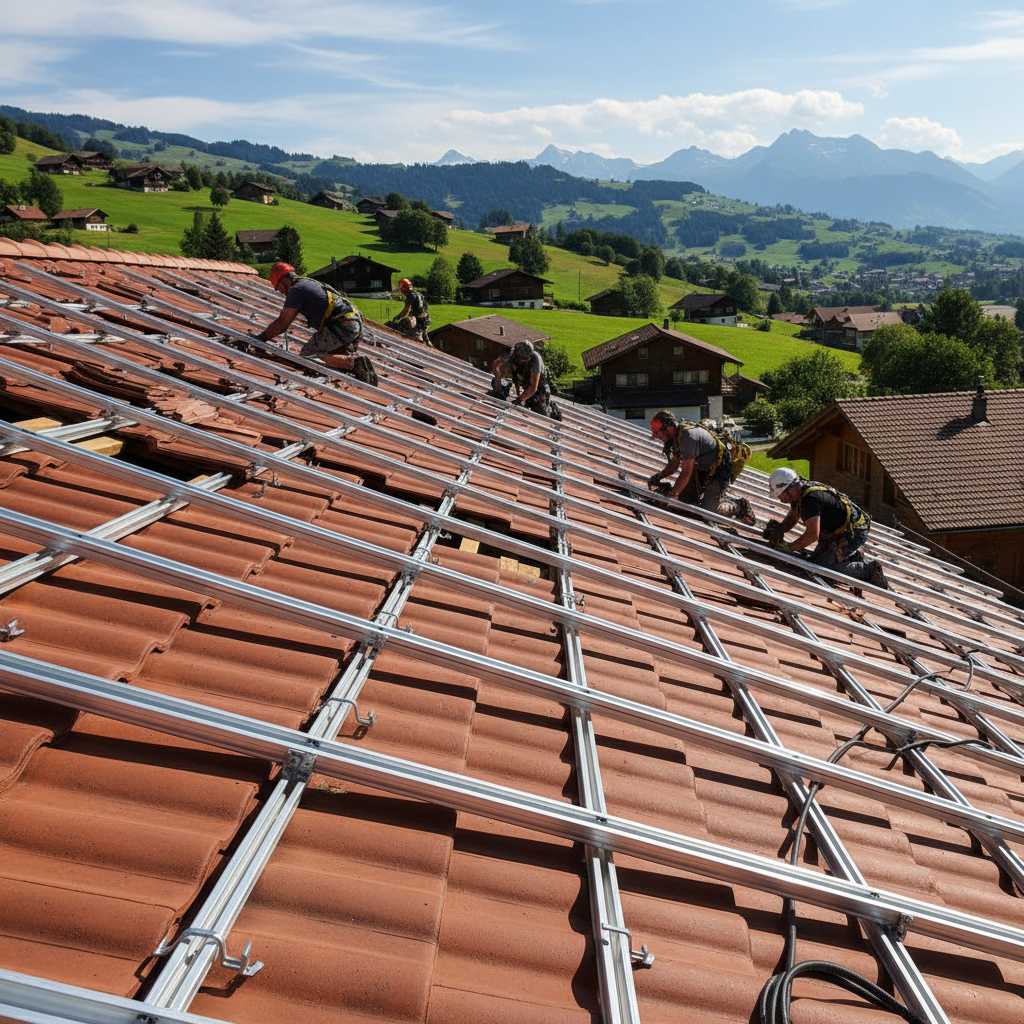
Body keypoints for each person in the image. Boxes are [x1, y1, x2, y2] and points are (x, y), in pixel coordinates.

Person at [765, 467, 889, 589]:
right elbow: (793, 517)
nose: (782, 500)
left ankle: (869, 570)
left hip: (853, 531)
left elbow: (812, 535)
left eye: (782, 496)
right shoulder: (799, 494)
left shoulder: (811, 499)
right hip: (833, 531)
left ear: (791, 488)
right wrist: (780, 529)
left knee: (822, 568)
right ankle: (851, 557)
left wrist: (789, 548)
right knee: (814, 560)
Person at [257, 263, 376, 383]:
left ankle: (355, 363)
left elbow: (283, 322)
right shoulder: (306, 283)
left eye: (279, 288)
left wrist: (262, 338)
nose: (281, 292)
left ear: (285, 281)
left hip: (341, 324)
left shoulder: (296, 290)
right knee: (334, 363)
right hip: (352, 320)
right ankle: (358, 369)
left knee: (307, 356)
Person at [647, 410, 755, 525]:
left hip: (719, 469)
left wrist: (672, 494)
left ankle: (739, 505)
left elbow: (686, 473)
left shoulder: (688, 437)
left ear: (668, 428)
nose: (658, 437)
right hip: (700, 469)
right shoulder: (677, 438)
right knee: (685, 502)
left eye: (658, 433)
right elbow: (674, 465)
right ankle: (710, 497)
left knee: (709, 512)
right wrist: (658, 477)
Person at [490, 340, 561, 420]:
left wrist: (519, 400)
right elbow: (496, 364)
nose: (521, 362)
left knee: (540, 412)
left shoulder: (535, 360)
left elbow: (533, 387)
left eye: (524, 360)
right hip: (523, 381)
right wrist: (498, 381)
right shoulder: (513, 354)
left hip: (539, 385)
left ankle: (552, 408)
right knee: (496, 383)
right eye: (520, 360)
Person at [394, 278, 431, 344]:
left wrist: (397, 317)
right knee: (425, 338)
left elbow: (405, 311)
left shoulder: (410, 296)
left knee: (415, 338)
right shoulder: (418, 294)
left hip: (419, 321)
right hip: (426, 319)